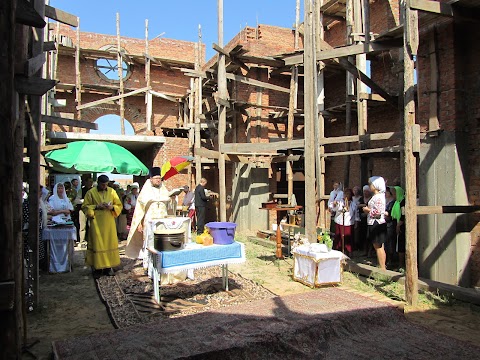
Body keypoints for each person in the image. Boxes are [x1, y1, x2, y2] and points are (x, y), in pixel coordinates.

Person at [125, 167, 171, 265]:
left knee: (163, 242)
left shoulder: (163, 189)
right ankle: (149, 265)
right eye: (156, 178)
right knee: (149, 242)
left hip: (163, 222)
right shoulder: (145, 190)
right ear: (151, 179)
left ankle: (163, 263)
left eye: (160, 178)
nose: (158, 180)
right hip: (149, 222)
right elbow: (139, 209)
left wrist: (172, 198)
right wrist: (140, 224)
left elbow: (169, 204)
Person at [82, 175, 123, 277]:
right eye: (102, 184)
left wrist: (112, 207)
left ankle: (108, 267)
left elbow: (119, 205)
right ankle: (97, 268)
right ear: (98, 183)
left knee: (109, 243)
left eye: (106, 184)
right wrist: (96, 206)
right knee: (97, 244)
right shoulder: (90, 193)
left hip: (109, 222)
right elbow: (85, 207)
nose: (104, 186)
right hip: (96, 223)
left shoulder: (112, 192)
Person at [363, 176, 387, 270]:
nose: (370, 186)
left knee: (378, 246)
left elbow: (378, 212)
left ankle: (382, 267)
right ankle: (381, 265)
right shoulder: (376, 196)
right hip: (373, 222)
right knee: (377, 245)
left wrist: (367, 210)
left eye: (371, 184)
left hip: (377, 223)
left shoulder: (379, 197)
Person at [331, 188, 357, 257]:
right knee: (339, 236)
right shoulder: (340, 202)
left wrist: (356, 222)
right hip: (340, 221)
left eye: (348, 194)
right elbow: (335, 209)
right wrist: (336, 205)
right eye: (345, 194)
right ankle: (338, 250)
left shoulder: (353, 203)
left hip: (349, 222)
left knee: (348, 238)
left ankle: (348, 251)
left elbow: (355, 213)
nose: (346, 195)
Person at [391, 186, 406, 271]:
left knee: (401, 245)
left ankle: (401, 265)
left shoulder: (403, 202)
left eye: (395, 193)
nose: (393, 194)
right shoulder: (396, 202)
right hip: (396, 224)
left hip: (401, 226)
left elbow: (403, 215)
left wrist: (398, 225)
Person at [78, 178, 94, 246]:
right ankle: (82, 241)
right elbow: (77, 200)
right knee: (82, 226)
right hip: (83, 210)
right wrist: (84, 201)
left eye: (91, 182)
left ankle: (91, 240)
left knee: (92, 226)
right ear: (86, 182)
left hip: (91, 209)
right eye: (89, 181)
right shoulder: (81, 190)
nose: (90, 183)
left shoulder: (94, 190)